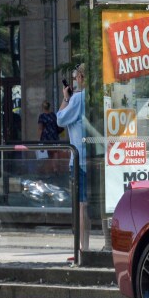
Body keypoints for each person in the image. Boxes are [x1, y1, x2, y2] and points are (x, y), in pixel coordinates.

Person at [55, 65, 89, 247]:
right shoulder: (92, 98)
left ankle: (82, 249)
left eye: (76, 76)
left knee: (81, 206)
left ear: (82, 77)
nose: (75, 79)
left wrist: (65, 98)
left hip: (79, 161)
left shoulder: (76, 99)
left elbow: (59, 119)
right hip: (92, 159)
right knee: (87, 207)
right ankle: (86, 246)